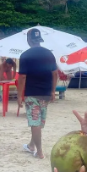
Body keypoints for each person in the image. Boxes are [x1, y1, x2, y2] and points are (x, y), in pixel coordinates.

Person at [17, 28, 58, 159]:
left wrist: (19, 95)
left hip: (32, 93)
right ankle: (31, 145)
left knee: (35, 123)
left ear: (29, 40)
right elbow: (55, 74)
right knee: (38, 122)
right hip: (46, 93)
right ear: (40, 39)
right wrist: (53, 91)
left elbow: (22, 77)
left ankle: (39, 152)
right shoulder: (49, 54)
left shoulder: (25, 55)